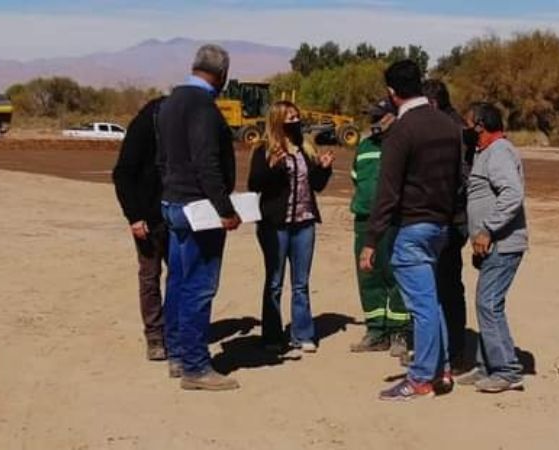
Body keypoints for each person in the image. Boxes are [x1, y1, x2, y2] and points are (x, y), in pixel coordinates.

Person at [360, 60, 462, 401]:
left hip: (413, 228)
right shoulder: (448, 125)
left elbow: (387, 192)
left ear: (392, 93)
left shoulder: (402, 131)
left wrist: (371, 240)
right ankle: (442, 369)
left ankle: (420, 379)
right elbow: (457, 180)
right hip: (441, 226)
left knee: (421, 306)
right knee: (432, 302)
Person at [157, 44, 241, 391]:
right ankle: (195, 366)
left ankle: (177, 353)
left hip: (173, 202)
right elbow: (207, 162)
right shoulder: (204, 108)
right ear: (222, 75)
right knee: (199, 286)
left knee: (177, 280)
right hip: (200, 209)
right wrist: (225, 209)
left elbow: (162, 156)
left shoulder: (169, 102)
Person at [248, 101, 335, 355]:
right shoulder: (264, 149)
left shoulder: (305, 148)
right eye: (289, 117)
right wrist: (273, 167)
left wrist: (324, 169)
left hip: (304, 222)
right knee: (274, 282)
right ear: (277, 121)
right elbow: (255, 183)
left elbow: (316, 186)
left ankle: (303, 334)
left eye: (297, 116)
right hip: (275, 225)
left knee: (301, 283)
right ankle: (272, 336)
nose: (295, 121)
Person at [456, 102, 528, 393]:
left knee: (489, 303)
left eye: (467, 124)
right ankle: (487, 365)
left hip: (504, 242)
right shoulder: (485, 153)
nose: (465, 130)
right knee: (486, 302)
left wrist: (487, 229)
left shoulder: (498, 152)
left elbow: (512, 193)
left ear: (480, 126)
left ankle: (507, 370)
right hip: (491, 245)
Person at [349, 99, 410, 355]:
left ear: (392, 117)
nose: (373, 122)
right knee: (368, 275)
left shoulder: (401, 145)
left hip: (394, 221)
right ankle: (376, 330)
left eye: (378, 117)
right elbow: (356, 179)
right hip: (365, 220)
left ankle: (399, 332)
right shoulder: (363, 146)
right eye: (371, 117)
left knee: (395, 275)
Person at [112, 96, 168, 361]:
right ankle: (155, 335)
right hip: (148, 218)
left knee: (181, 276)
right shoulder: (143, 127)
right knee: (150, 276)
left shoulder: (180, 129)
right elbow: (122, 174)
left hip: (178, 216)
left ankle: (177, 329)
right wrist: (134, 217)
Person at [423, 79, 472, 373]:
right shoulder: (448, 126)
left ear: (432, 103)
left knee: (447, 287)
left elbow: (462, 177)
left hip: (453, 220)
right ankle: (444, 349)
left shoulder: (455, 131)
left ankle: (454, 352)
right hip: (444, 218)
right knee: (439, 286)